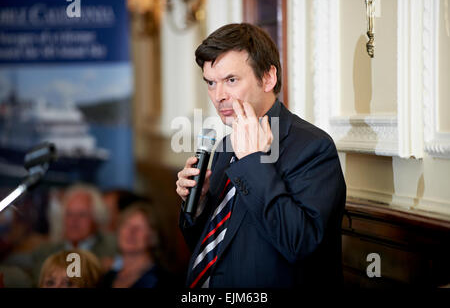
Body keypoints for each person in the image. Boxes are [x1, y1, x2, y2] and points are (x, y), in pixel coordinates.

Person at [176, 23, 346, 288]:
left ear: (268, 78)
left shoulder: (314, 147)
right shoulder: (224, 146)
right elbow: (211, 248)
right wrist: (198, 208)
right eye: (211, 83)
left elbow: (299, 244)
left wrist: (252, 162)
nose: (219, 96)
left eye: (231, 80)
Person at [31, 184, 117, 285]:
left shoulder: (112, 248)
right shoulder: (45, 253)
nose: (74, 221)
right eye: (69, 214)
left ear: (96, 218)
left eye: (81, 215)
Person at [100, 203, 170, 288]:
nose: (131, 232)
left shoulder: (161, 281)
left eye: (139, 227)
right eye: (126, 225)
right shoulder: (107, 277)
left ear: (153, 237)